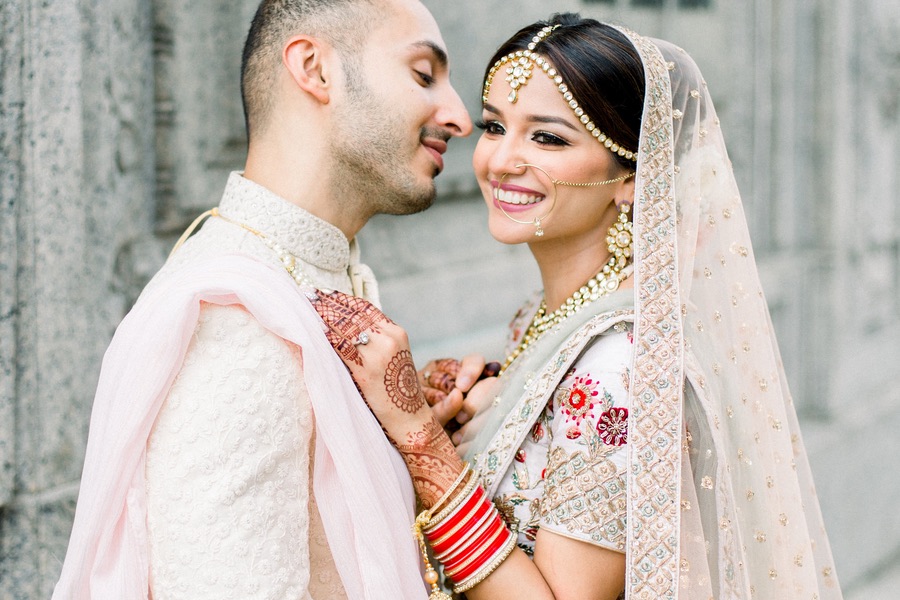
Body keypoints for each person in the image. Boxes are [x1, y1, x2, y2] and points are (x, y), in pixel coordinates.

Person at [314, 13, 844, 599]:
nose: (501, 161)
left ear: (632, 178)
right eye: (494, 126)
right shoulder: (547, 314)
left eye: (547, 137)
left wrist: (420, 437)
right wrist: (486, 399)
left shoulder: (623, 369)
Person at [52, 0, 472, 598]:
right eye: (423, 75)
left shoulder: (316, 271)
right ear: (315, 69)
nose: (458, 116)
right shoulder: (237, 323)